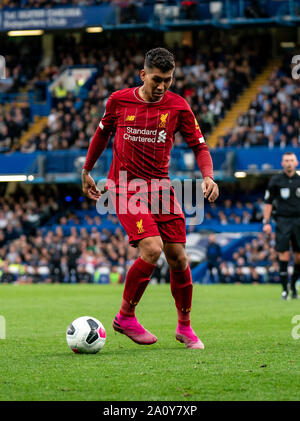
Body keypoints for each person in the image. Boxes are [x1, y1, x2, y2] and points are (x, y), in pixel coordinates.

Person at [82, 47, 219, 349]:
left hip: (160, 188)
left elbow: (200, 145)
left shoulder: (178, 106)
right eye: (156, 79)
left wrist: (208, 175)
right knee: (152, 248)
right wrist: (88, 169)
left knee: (179, 258)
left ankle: (184, 327)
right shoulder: (119, 101)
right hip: (124, 187)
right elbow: (101, 135)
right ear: (143, 74)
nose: (161, 87)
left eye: (168, 80)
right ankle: (125, 317)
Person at [263, 152, 300, 300]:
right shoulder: (276, 180)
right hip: (282, 221)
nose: (289, 163)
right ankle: (285, 290)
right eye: (286, 160)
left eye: (291, 160)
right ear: (282, 163)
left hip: (299, 221)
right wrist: (266, 222)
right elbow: (268, 203)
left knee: (298, 258)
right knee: (283, 254)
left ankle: (292, 285)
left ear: (296, 163)